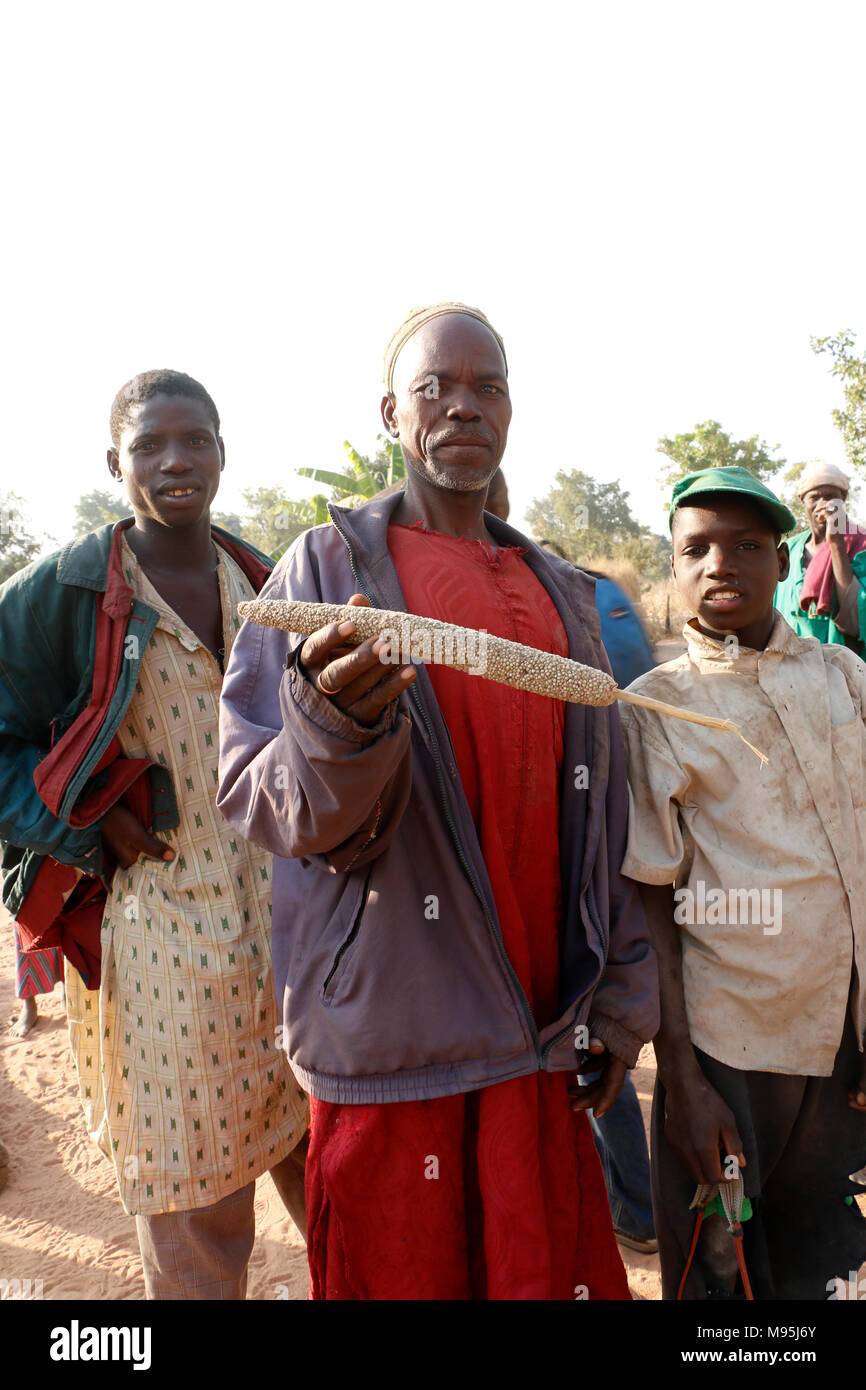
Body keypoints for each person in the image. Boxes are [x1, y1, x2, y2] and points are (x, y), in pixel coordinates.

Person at [218, 302, 659, 1301]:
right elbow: (260, 800)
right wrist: (336, 724)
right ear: (389, 413)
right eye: (434, 388)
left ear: (509, 412)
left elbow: (604, 820)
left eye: (485, 386)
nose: (462, 406)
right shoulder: (324, 575)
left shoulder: (560, 593)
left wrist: (620, 998)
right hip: (397, 1045)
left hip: (538, 1037)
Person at [0, 370, 308, 1299]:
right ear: (114, 463)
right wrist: (93, 826)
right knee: (195, 1224)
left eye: (196, 440)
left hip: (289, 938)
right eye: (149, 445)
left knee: (326, 1179)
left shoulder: (263, 580)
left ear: (221, 452)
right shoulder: (62, 592)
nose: (176, 461)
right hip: (162, 944)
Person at [619, 465, 866, 1300]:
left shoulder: (839, 678)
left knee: (819, 1258)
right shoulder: (657, 707)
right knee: (722, 1269)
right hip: (732, 1054)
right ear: (674, 566)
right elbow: (653, 891)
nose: (722, 563)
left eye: (748, 546)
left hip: (841, 1038)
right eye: (698, 548)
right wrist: (682, 1080)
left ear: (783, 560)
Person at [774, 461, 866, 655]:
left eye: (831, 497)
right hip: (789, 666)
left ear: (844, 498)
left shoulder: (861, 545)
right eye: (814, 497)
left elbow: (857, 618)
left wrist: (836, 544)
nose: (823, 504)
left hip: (843, 669)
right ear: (802, 501)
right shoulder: (789, 549)